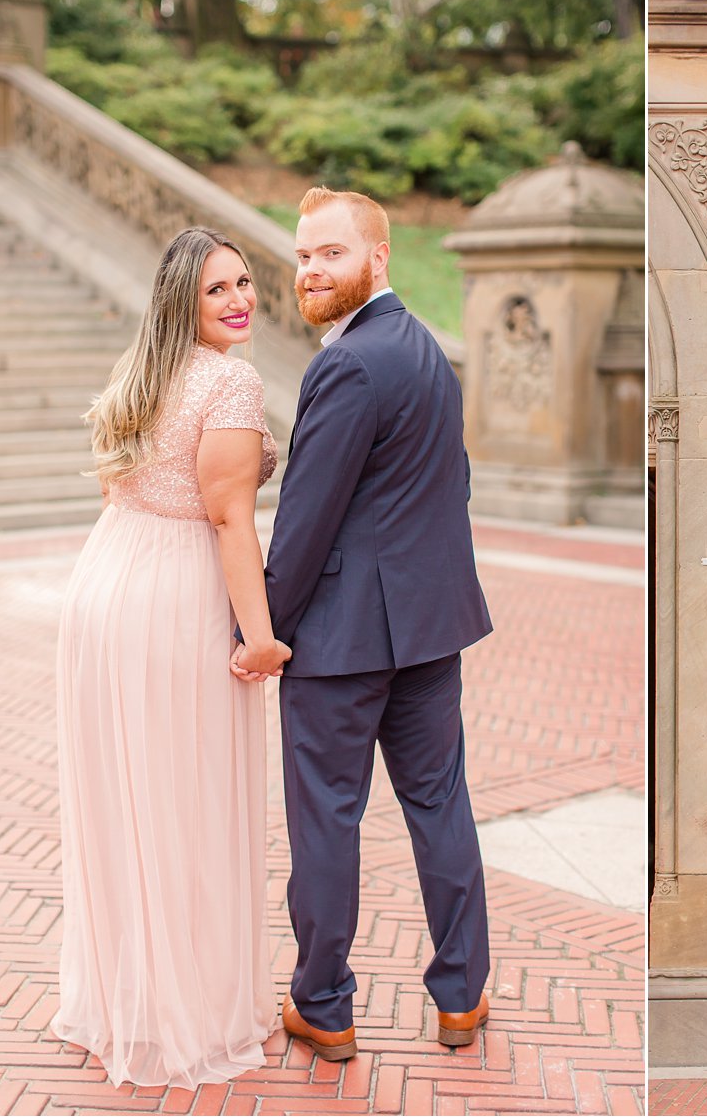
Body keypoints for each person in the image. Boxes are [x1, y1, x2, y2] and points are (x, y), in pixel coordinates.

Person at [232, 187, 494, 1059]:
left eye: (330, 254)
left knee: (327, 822)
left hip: (341, 642)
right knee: (440, 807)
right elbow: (451, 486)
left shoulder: (345, 364)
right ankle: (461, 996)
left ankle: (325, 1003)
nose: (310, 270)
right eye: (303, 256)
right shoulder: (428, 351)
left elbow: (305, 519)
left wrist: (261, 624)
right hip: (428, 631)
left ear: (378, 257)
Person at [54, 227, 289, 1087]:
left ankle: (129, 1004)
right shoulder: (230, 379)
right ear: (183, 302)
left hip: (105, 583)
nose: (239, 300)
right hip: (172, 599)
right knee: (187, 801)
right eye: (216, 290)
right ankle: (186, 1012)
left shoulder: (142, 370)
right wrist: (259, 634)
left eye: (244, 282)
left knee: (129, 798)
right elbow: (231, 517)